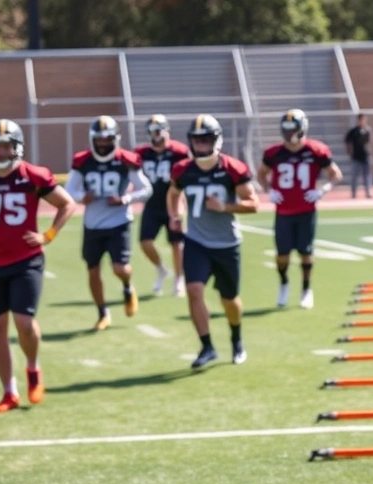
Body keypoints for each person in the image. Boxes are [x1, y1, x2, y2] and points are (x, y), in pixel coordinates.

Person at [0, 119, 77, 413]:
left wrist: (48, 235)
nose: (3, 151)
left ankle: (33, 368)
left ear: (17, 147)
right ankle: (9, 391)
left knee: (23, 322)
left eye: (7, 146)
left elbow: (67, 204)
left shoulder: (33, 175)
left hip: (25, 261)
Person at [166, 114, 259, 369]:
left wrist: (225, 206)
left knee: (229, 299)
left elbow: (254, 205)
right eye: (197, 140)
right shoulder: (183, 169)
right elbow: (173, 193)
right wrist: (175, 214)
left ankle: (236, 338)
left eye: (206, 140)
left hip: (226, 244)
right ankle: (207, 346)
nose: (202, 145)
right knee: (194, 290)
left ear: (217, 140)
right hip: (196, 241)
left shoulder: (233, 168)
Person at [65, 115, 152, 331]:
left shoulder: (126, 160)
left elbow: (146, 189)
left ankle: (127, 286)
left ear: (115, 139)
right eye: (100, 140)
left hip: (119, 221)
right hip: (93, 224)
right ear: (93, 140)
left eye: (108, 140)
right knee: (93, 270)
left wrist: (125, 199)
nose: (103, 144)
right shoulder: (82, 160)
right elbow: (69, 190)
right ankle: (103, 312)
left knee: (120, 268)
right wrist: (82, 196)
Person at [257, 109, 342, 309]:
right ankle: (284, 283)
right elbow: (261, 174)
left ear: (302, 128)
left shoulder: (316, 151)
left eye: (292, 129)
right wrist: (268, 190)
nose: (289, 134)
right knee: (282, 255)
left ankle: (306, 288)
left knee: (306, 252)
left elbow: (335, 174)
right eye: (285, 130)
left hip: (306, 210)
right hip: (283, 212)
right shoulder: (274, 153)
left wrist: (323, 190)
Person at [135, 114, 192, 295]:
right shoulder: (141, 153)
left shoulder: (180, 151)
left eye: (159, 130)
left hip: (173, 203)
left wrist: (183, 205)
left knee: (177, 243)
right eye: (153, 131)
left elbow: (187, 176)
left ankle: (179, 278)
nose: (156, 135)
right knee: (145, 242)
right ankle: (161, 268)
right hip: (151, 204)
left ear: (166, 130)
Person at [344, 113, 373, 199]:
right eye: (361, 119)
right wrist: (350, 152)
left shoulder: (367, 130)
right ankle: (354, 193)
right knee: (354, 176)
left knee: (367, 175)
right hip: (356, 157)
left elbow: (370, 141)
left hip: (366, 156)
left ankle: (368, 192)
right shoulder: (354, 131)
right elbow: (347, 141)